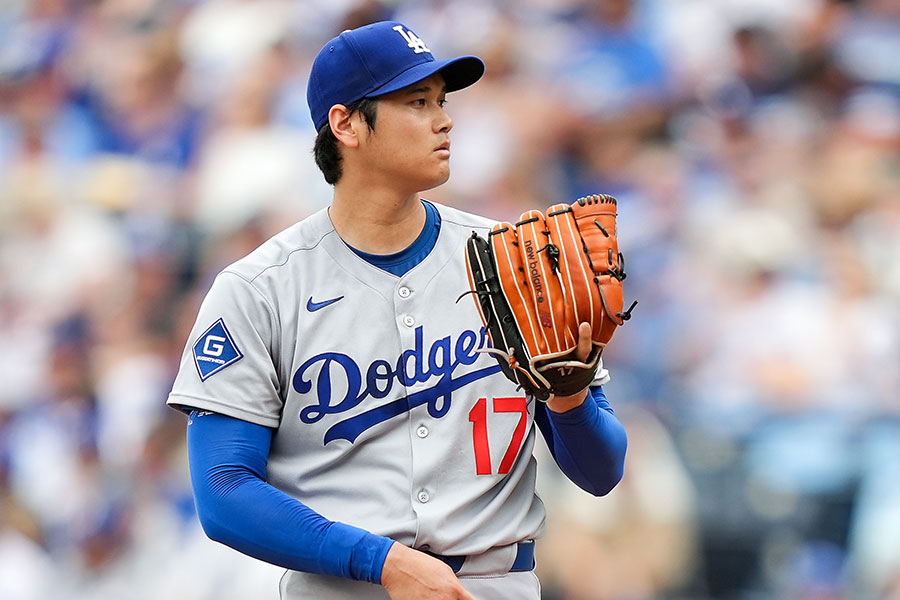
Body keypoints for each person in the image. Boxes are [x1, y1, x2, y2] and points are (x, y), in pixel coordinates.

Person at [167, 20, 628, 600]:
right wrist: (378, 560)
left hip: (494, 582)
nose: (445, 119)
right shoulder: (261, 288)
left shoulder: (515, 262)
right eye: (416, 101)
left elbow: (602, 472)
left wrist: (571, 397)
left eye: (441, 100)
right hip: (337, 587)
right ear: (346, 124)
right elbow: (223, 490)